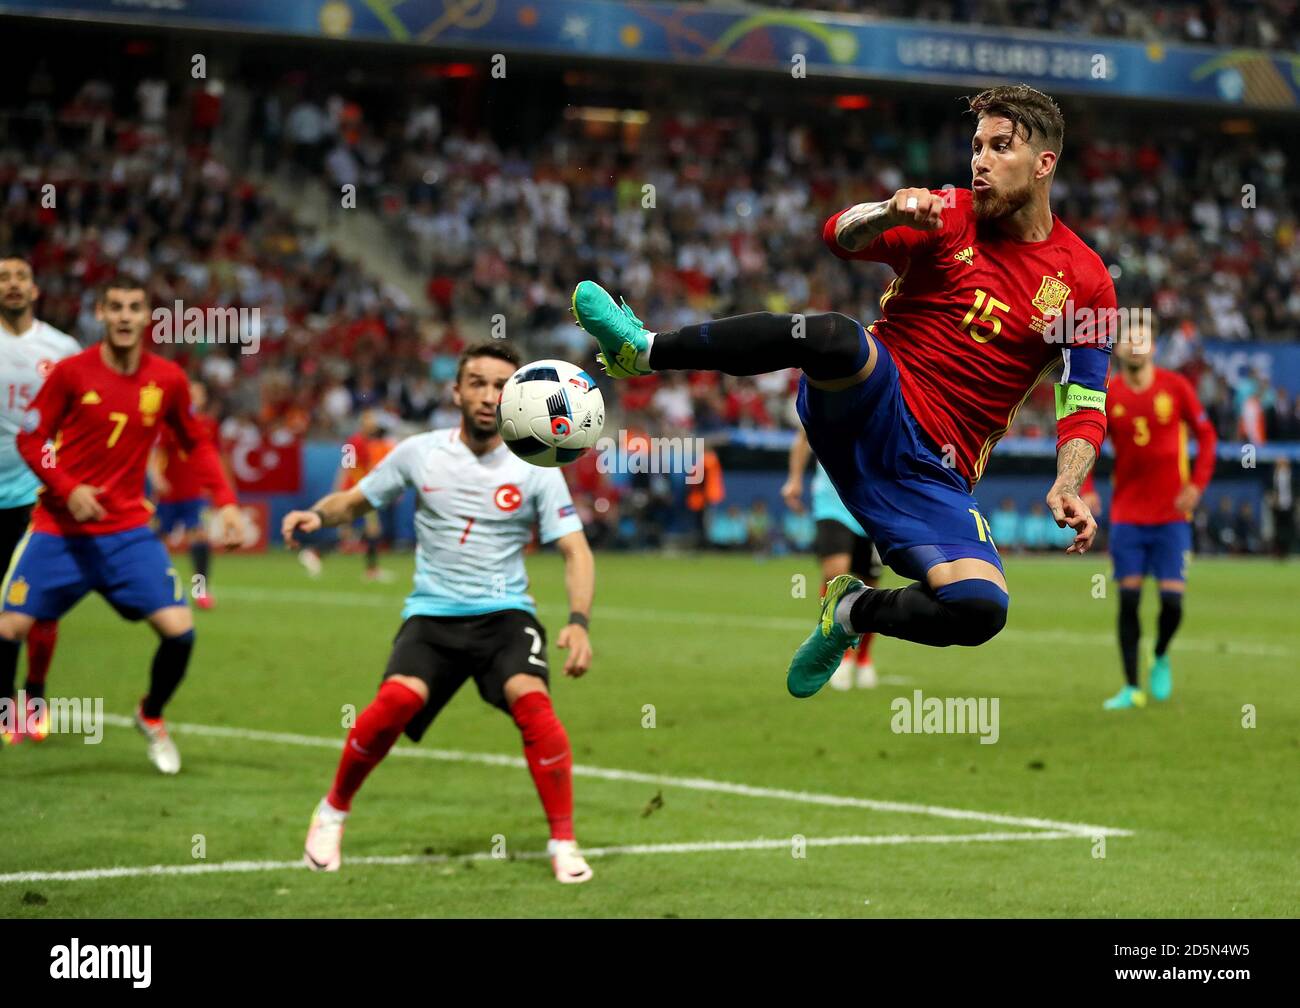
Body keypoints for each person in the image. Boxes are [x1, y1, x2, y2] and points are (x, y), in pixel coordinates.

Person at [572, 84, 1112, 698]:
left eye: (1000, 147)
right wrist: (887, 211)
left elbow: (1085, 399)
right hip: (875, 395)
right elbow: (837, 234)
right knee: (830, 335)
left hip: (936, 470)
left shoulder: (1087, 282)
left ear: (1045, 163)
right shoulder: (947, 212)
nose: (980, 161)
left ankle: (852, 613)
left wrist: (1069, 482)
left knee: (981, 609)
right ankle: (642, 349)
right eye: (976, 146)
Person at [283, 342, 598, 884]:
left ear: (517, 396)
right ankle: (332, 812)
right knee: (395, 702)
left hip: (505, 616)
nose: (488, 395)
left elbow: (576, 550)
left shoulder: (538, 467)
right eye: (476, 382)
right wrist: (316, 515)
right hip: (433, 613)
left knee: (534, 704)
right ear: (455, 391)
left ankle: (564, 842)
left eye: (501, 385)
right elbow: (357, 501)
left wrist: (579, 621)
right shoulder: (418, 452)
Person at [0, 276, 243, 770]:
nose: (126, 316)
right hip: (60, 529)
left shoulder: (168, 379)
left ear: (148, 315)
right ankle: (13, 708)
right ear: (102, 314)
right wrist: (69, 488)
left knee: (181, 632)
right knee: (9, 628)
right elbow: (31, 439)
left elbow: (194, 441)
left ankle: (150, 715)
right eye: (116, 307)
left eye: (135, 307)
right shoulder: (70, 373)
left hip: (127, 532)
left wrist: (226, 501)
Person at [1082, 322, 1216, 710]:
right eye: (1129, 339)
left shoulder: (1176, 388)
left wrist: (1198, 485)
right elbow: (1087, 438)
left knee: (1172, 604)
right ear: (1119, 348)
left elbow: (1207, 436)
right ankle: (1131, 687)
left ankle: (1159, 654)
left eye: (1143, 339)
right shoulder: (1109, 393)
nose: (1136, 346)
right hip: (1127, 515)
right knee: (1128, 600)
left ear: (1154, 347)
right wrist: (1086, 487)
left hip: (1173, 515)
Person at [0, 255, 81, 744]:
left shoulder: (62, 348)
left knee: (39, 603)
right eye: (3, 278)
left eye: (20, 278)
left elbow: (82, 418)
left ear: (35, 289)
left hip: (38, 496)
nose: (11, 285)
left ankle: (35, 694)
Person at [782, 428, 881, 689]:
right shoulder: (829, 392)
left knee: (870, 584)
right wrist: (794, 479)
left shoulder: (885, 395)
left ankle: (864, 658)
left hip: (872, 504)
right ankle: (842, 655)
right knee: (836, 575)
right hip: (831, 502)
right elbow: (805, 434)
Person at [149, 379, 229, 609]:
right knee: (158, 542)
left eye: (198, 393)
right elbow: (156, 454)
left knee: (200, 538)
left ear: (204, 398)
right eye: (190, 393)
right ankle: (156, 587)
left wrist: (221, 488)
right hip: (168, 494)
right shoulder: (169, 423)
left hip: (195, 493)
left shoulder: (209, 425)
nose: (194, 397)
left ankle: (200, 590)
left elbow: (215, 458)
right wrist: (156, 477)